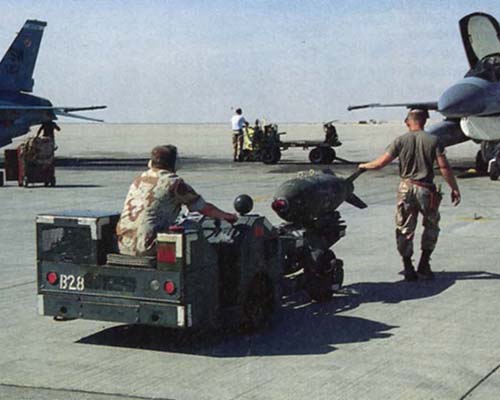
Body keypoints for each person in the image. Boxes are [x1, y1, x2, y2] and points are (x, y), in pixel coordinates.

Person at [359, 109, 461, 281]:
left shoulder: (400, 140)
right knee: (431, 225)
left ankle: (407, 266)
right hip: (426, 189)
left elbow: (381, 163)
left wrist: (364, 165)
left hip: (406, 188)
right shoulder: (434, 140)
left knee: (405, 228)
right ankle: (424, 263)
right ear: (424, 121)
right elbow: (443, 167)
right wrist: (454, 188)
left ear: (408, 122)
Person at [116, 145, 238, 256]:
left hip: (124, 245)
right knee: (193, 227)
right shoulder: (174, 182)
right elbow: (204, 208)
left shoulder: (138, 180)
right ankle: (208, 266)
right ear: (174, 163)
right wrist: (227, 216)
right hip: (148, 247)